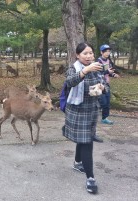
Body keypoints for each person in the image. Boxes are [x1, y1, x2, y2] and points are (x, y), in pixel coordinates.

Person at [63, 43, 104, 194]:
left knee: (84, 139)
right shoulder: (73, 68)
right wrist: (85, 71)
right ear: (78, 55)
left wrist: (102, 88)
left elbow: (104, 83)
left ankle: (77, 162)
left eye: (91, 53)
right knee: (87, 141)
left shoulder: (97, 67)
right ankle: (90, 178)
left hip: (92, 110)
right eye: (85, 53)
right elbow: (70, 82)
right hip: (78, 111)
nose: (89, 56)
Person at [98, 44, 120, 125]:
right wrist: (108, 72)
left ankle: (104, 118)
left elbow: (109, 72)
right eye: (105, 51)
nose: (107, 53)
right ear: (101, 52)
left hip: (107, 84)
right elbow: (98, 73)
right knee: (103, 102)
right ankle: (92, 114)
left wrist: (114, 75)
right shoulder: (99, 61)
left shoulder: (108, 61)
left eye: (109, 51)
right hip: (100, 85)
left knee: (107, 102)